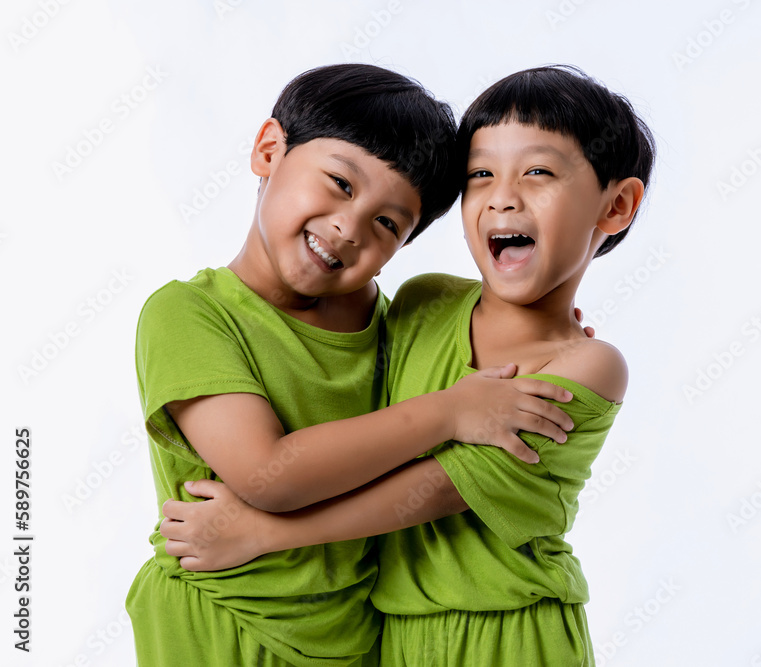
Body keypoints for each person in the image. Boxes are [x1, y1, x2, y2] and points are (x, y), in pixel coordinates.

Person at [160, 65, 655, 666]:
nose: (502, 195)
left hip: (508, 633)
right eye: (480, 175)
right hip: (386, 635)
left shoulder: (591, 365)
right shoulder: (420, 305)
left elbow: (436, 489)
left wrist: (268, 533)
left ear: (617, 205)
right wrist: (454, 408)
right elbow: (306, 343)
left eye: (538, 172)